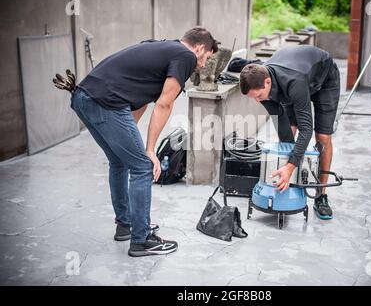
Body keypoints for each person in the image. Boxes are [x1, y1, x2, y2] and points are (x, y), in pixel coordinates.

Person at [71, 27, 218, 257]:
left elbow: (136, 101)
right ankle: (141, 240)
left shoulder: (159, 47)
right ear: (200, 47)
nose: (202, 64)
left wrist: (134, 144)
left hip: (83, 98)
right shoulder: (186, 56)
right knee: (142, 167)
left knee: (120, 161)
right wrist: (149, 151)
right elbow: (164, 105)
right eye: (207, 57)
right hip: (105, 102)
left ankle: (125, 225)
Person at [239, 45, 340, 220]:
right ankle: (289, 182)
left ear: (267, 82)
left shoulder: (294, 82)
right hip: (294, 80)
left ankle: (321, 195)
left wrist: (291, 164)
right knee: (289, 131)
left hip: (323, 79)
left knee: (322, 137)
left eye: (259, 96)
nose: (258, 100)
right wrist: (289, 168)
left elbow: (306, 129)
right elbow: (284, 129)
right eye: (253, 98)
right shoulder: (262, 84)